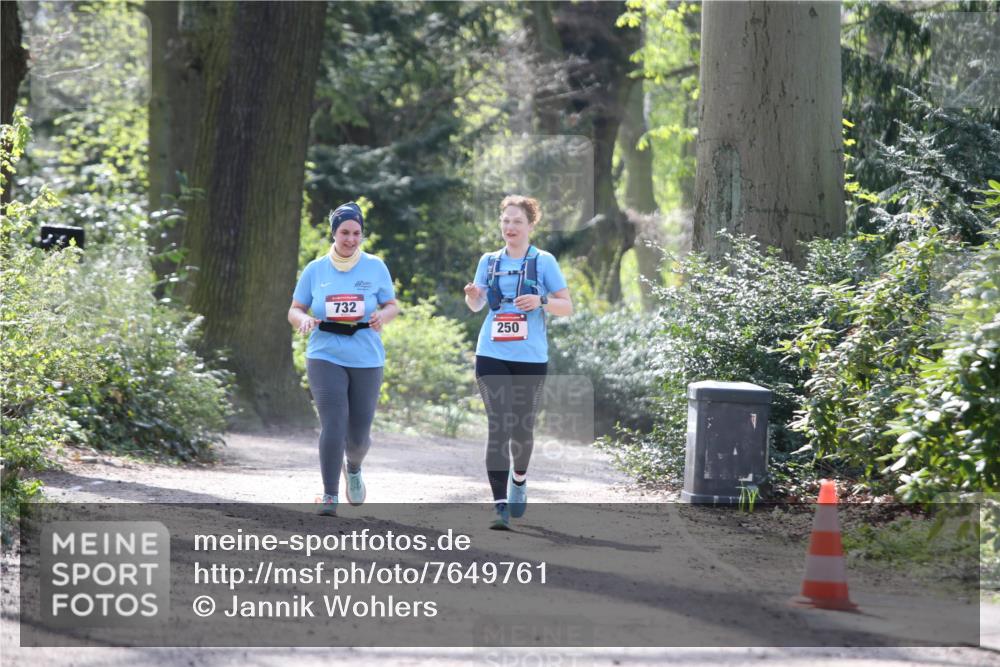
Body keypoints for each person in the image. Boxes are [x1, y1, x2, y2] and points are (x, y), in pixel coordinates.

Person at [464, 195, 573, 529]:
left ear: (530, 226)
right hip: (491, 354)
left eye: (517, 222)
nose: (510, 227)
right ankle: (499, 506)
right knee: (498, 427)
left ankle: (519, 479)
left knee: (522, 430)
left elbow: (566, 306)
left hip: (530, 358)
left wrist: (540, 301)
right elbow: (476, 305)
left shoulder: (544, 262)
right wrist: (471, 295)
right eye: (506, 221)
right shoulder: (489, 261)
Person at [288, 202, 399, 516]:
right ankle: (328, 495)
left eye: (356, 233)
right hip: (325, 353)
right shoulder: (316, 269)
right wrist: (303, 321)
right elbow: (294, 309)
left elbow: (391, 305)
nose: (350, 239)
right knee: (333, 424)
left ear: (362, 234)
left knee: (358, 437)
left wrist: (382, 317)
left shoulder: (376, 266)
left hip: (366, 356)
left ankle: (353, 467)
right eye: (344, 232)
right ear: (333, 233)